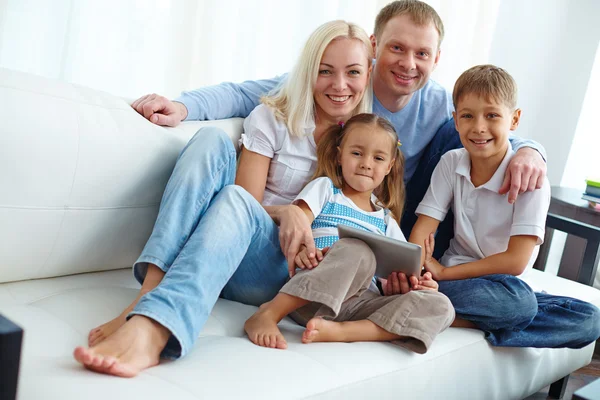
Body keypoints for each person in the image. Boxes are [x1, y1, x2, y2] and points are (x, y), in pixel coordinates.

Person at [129, 0, 548, 271]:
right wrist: (184, 107)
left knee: (452, 138)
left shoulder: (441, 105)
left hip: (401, 208)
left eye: (422, 54)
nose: (408, 63)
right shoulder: (342, 85)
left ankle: (430, 268)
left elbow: (488, 129)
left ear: (436, 59)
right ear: (373, 46)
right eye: (396, 48)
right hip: (342, 205)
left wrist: (531, 149)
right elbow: (248, 93)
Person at [74, 20, 377, 377]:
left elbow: (367, 219)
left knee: (235, 199)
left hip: (286, 274)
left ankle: (153, 328)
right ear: (308, 71)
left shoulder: (366, 141)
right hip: (234, 245)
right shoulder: (274, 117)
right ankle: (148, 296)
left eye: (352, 72)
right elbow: (245, 203)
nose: (339, 85)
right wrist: (288, 213)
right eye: (325, 71)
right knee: (211, 140)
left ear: (368, 72)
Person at [407, 64, 600, 348]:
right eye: (468, 116)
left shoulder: (532, 179)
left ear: (514, 119)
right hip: (459, 280)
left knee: (586, 319)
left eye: (492, 115)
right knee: (521, 305)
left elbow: (515, 262)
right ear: (456, 121)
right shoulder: (451, 162)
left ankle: (443, 311)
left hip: (498, 283)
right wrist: (418, 269)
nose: (479, 127)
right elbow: (422, 231)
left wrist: (443, 274)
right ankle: (450, 307)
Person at [244, 113, 454, 353]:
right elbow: (298, 224)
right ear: (339, 155)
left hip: (360, 306)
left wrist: (412, 284)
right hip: (311, 296)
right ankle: (269, 313)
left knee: (442, 305)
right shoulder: (326, 189)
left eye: (378, 158)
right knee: (358, 250)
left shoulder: (386, 219)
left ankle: (343, 332)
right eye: (357, 153)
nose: (366, 163)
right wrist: (303, 249)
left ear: (389, 166)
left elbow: (399, 274)